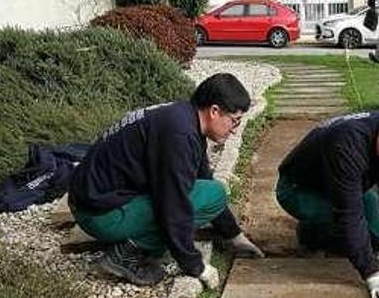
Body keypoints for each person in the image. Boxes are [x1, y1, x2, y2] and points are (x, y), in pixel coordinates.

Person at [68, 73, 264, 289]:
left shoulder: (184, 117)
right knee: (213, 194)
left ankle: (143, 244)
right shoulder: (179, 135)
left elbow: (202, 178)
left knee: (207, 192)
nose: (235, 130)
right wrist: (196, 266)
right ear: (214, 111)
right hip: (99, 215)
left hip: (95, 200)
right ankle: (122, 257)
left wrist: (233, 235)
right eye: (234, 121)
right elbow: (174, 206)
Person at [277, 109, 379, 298]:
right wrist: (372, 275)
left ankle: (328, 228)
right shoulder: (346, 144)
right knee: (348, 230)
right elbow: (349, 214)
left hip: (342, 183)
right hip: (299, 189)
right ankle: (311, 232)